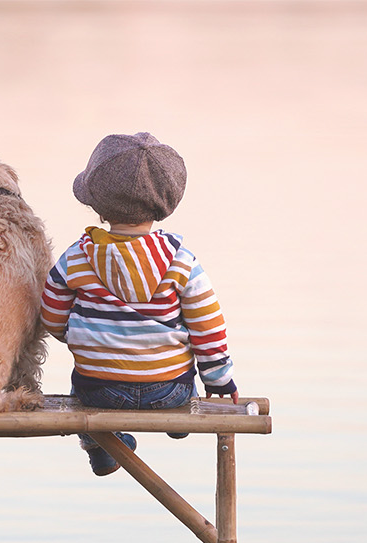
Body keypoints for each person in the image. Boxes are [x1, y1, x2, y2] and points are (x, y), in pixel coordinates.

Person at [38, 133, 239, 476]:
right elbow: (207, 326)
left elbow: (51, 316)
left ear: (98, 206)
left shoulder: (75, 258)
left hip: (99, 388)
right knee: (183, 371)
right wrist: (220, 380)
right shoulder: (182, 262)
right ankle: (178, 420)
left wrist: (80, 334)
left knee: (79, 386)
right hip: (170, 388)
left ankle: (99, 445)